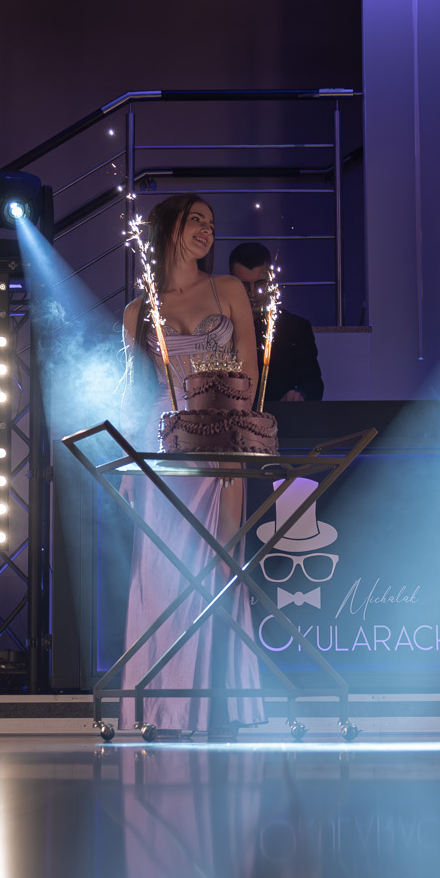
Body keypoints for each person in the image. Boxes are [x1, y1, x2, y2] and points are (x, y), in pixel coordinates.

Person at [119, 194, 266, 734]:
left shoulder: (227, 290)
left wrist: (235, 439)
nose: (207, 229)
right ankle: (162, 707)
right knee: (160, 569)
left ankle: (218, 705)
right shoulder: (137, 310)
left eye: (211, 222)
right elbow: (133, 392)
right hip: (161, 442)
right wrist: (132, 462)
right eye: (195, 220)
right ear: (170, 228)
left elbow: (249, 370)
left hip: (222, 433)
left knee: (221, 564)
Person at [227, 242, 324, 403]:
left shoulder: (296, 328)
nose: (252, 293)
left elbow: (313, 383)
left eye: (260, 284)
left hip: (281, 416)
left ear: (270, 280)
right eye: (244, 285)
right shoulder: (220, 329)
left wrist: (300, 394)